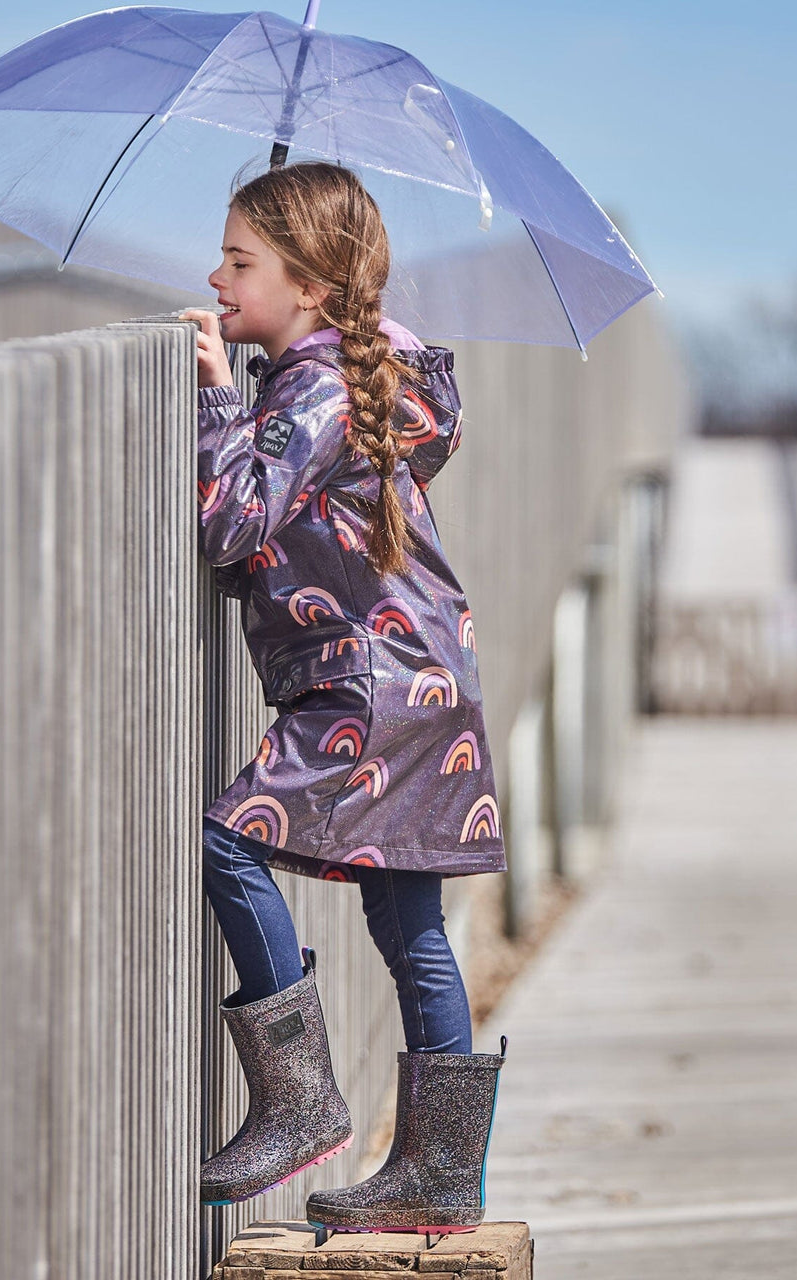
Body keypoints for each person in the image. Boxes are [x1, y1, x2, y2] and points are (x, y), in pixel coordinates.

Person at [181, 162, 506, 1234]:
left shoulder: (314, 387)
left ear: (311, 288)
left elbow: (232, 524)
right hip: (421, 675)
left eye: (240, 262)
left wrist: (216, 395)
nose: (218, 279)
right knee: (410, 924)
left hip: (366, 681)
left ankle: (297, 1101)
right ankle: (439, 1176)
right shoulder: (347, 377)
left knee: (227, 839)